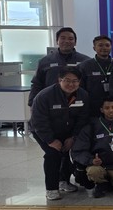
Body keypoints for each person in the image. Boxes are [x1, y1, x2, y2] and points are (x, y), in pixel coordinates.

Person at [30, 67, 90, 200]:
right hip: (44, 132)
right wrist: (50, 140)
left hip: (68, 132)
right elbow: (38, 121)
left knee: (67, 153)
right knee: (53, 154)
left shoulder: (83, 95)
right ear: (59, 80)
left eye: (75, 81)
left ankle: (64, 181)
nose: (71, 84)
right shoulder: (45, 96)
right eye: (67, 80)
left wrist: (73, 137)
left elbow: (82, 119)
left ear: (79, 82)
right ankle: (51, 188)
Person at [71, 98, 113, 198]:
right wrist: (91, 160)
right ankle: (101, 183)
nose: (111, 110)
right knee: (93, 171)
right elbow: (79, 150)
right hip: (99, 166)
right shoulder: (91, 127)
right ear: (101, 110)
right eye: (107, 108)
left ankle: (111, 183)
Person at [29, 27, 90, 106]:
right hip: (51, 102)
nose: (66, 41)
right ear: (57, 41)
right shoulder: (45, 61)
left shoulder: (85, 61)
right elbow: (37, 84)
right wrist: (32, 103)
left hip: (78, 103)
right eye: (63, 38)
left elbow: (90, 84)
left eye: (70, 39)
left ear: (75, 42)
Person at [79, 35, 113, 116]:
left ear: (111, 47)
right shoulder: (84, 66)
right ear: (94, 48)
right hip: (92, 108)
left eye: (107, 45)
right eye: (100, 45)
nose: (104, 48)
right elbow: (81, 89)